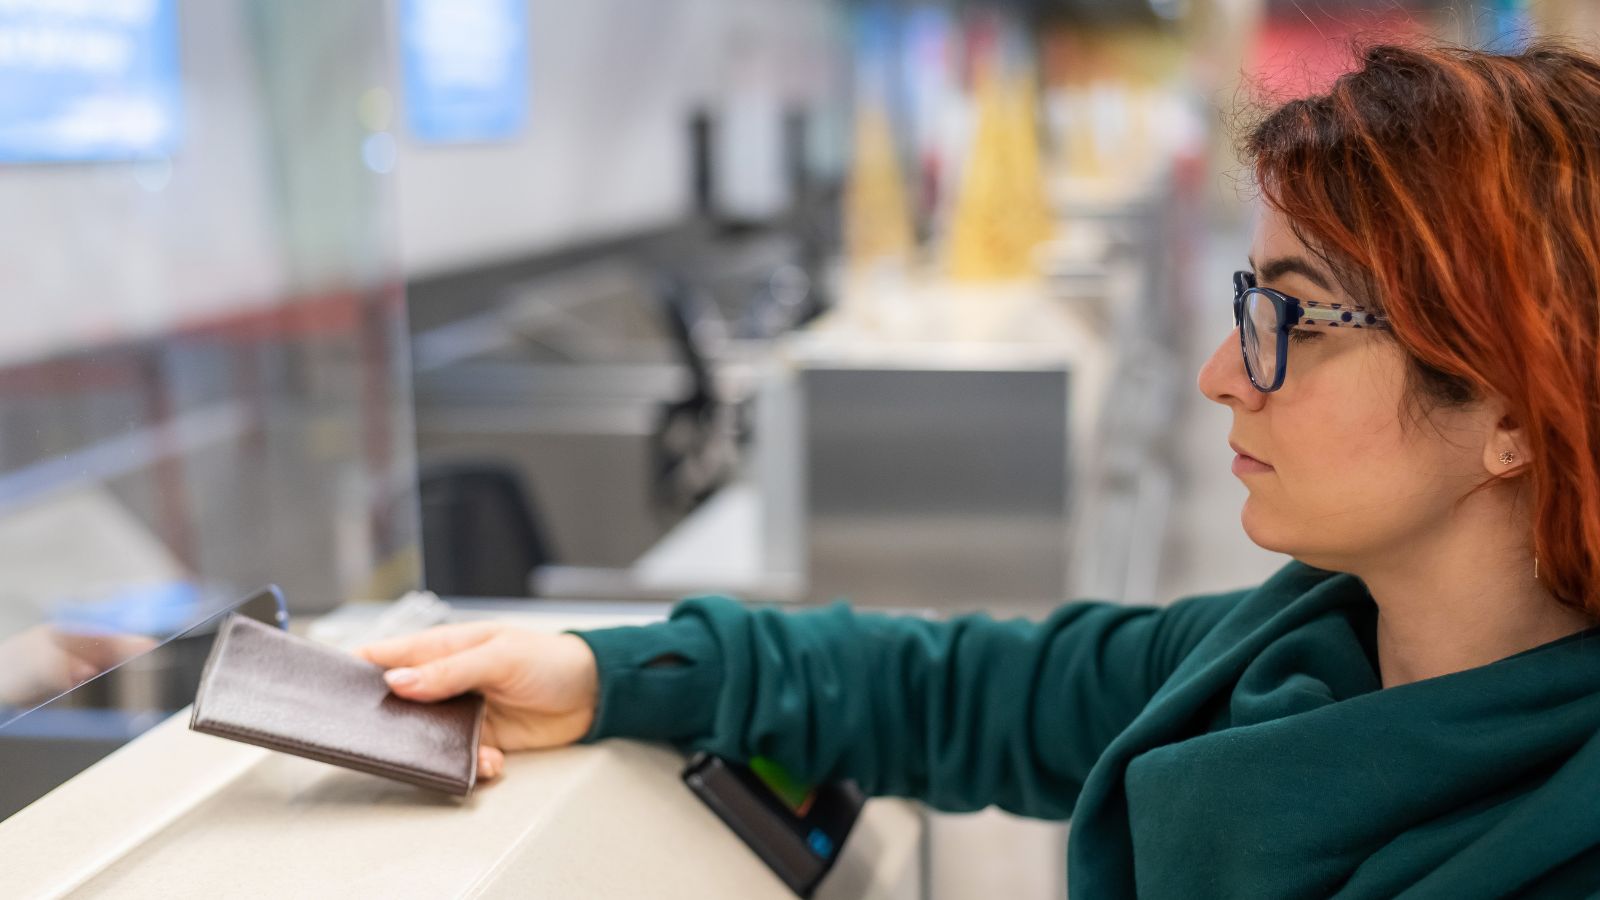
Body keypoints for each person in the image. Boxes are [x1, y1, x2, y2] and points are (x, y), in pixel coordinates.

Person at [356, 43, 1600, 897]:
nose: (1226, 372)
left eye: (1295, 319)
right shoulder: (1289, 652)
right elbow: (957, 690)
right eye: (1245, 301)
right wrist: (603, 671)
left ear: (1515, 413)